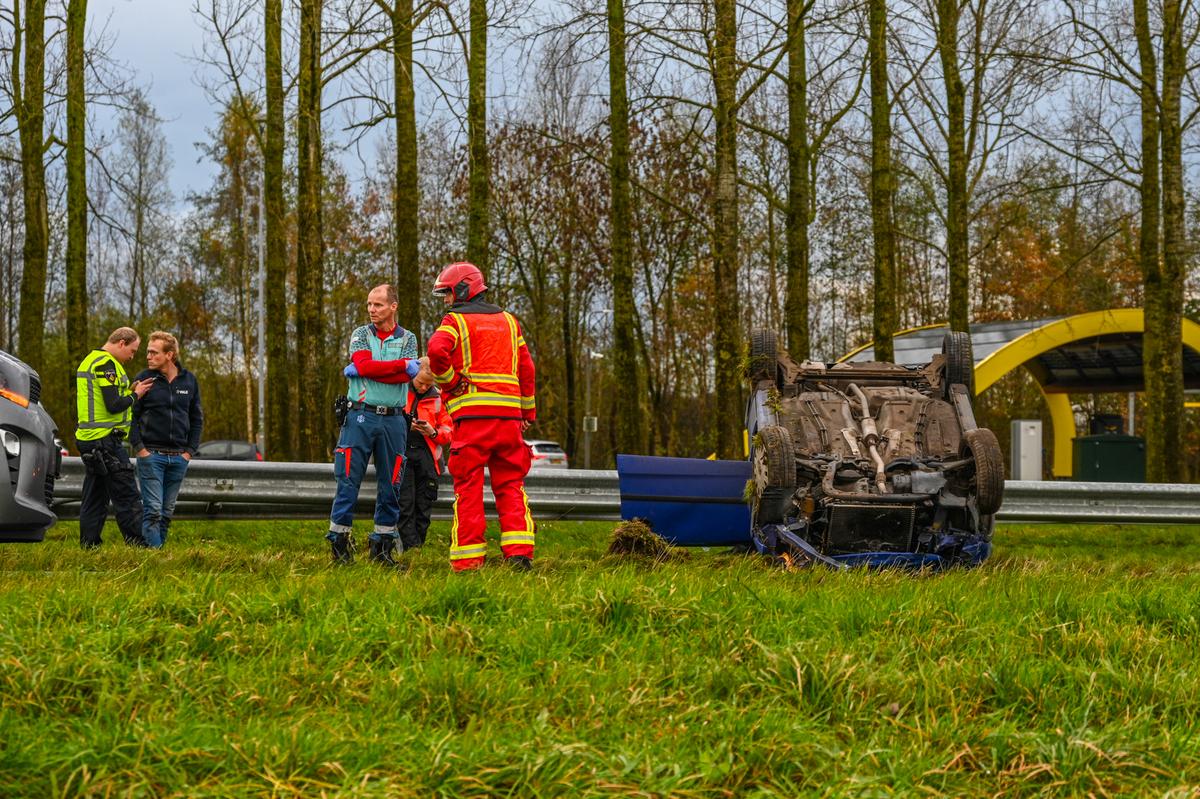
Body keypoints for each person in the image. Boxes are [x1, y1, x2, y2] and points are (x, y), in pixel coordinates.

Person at [426, 261, 537, 572]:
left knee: (469, 488)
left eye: (447, 293)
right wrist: (527, 411)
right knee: (511, 485)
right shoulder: (510, 322)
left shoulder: (454, 321)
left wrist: (450, 382)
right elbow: (526, 369)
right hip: (508, 422)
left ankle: (469, 561)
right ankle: (519, 555)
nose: (446, 300)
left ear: (463, 289)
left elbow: (436, 351)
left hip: (472, 422)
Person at [328, 283, 421, 567]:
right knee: (348, 481)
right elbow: (366, 366)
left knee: (391, 484)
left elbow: (397, 377)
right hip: (360, 416)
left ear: (393, 306)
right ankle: (339, 545)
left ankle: (382, 550)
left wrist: (376, 370)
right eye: (369, 304)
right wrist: (401, 367)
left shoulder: (408, 338)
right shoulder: (360, 334)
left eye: (378, 305)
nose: (371, 310)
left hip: (394, 419)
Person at [75, 327, 155, 549]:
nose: (132, 356)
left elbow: (104, 399)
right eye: (132, 350)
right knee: (127, 495)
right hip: (105, 441)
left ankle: (89, 547)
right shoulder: (106, 364)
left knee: (95, 496)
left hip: (90, 439)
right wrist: (136, 395)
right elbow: (112, 406)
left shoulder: (90, 360)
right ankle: (140, 546)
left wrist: (130, 390)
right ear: (121, 343)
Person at [130, 331, 204, 549]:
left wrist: (189, 451)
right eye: (148, 352)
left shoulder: (189, 380)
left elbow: (197, 418)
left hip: (179, 458)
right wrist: (140, 449)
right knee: (152, 510)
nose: (148, 356)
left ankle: (155, 553)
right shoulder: (143, 379)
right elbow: (129, 416)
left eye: (154, 352)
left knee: (166, 512)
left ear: (169, 354)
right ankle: (155, 557)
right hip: (151, 455)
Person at [398, 364, 453, 551]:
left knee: (424, 505)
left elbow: (449, 430)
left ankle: (417, 548)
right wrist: (406, 425)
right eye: (421, 383)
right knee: (405, 504)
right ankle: (410, 548)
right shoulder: (398, 389)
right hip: (402, 452)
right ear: (413, 375)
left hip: (427, 456)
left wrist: (433, 432)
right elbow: (387, 421)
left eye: (428, 385)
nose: (423, 388)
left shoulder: (439, 397)